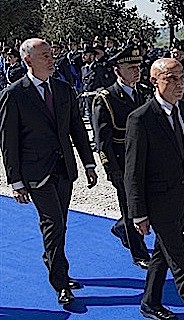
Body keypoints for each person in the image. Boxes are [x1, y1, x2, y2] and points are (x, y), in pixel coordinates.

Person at [0, 38, 98, 305]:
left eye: (51, 54)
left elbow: (77, 128)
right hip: (35, 173)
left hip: (63, 168)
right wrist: (15, 180)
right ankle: (61, 281)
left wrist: (89, 163)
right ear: (28, 60)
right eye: (44, 55)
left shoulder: (64, 89)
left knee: (59, 224)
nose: (51, 58)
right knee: (53, 223)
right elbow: (8, 141)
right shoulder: (14, 94)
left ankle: (52, 259)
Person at [125, 58, 184, 320]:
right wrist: (138, 213)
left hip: (183, 201)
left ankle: (149, 302)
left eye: (181, 78)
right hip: (158, 204)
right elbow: (133, 171)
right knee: (182, 264)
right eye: (171, 78)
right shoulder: (140, 119)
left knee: (162, 255)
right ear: (154, 81)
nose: (179, 84)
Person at [92, 45, 153, 269]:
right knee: (131, 207)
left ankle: (121, 228)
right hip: (122, 162)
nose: (136, 71)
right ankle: (139, 253)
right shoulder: (106, 98)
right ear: (117, 70)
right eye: (130, 67)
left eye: (138, 66)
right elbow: (103, 140)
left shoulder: (143, 92)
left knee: (146, 202)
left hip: (144, 160)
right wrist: (111, 169)